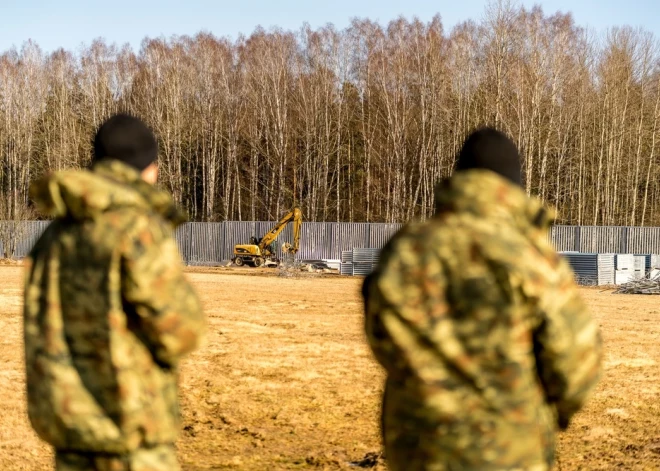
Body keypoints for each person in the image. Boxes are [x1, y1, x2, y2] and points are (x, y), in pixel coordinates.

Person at [362, 127, 602, 471]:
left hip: (419, 445)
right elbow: (575, 364)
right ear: (512, 187)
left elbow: (380, 337)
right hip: (509, 448)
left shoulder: (407, 247)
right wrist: (550, 411)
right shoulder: (530, 255)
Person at [23, 113, 205, 471]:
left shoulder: (55, 234)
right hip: (130, 434)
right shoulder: (137, 228)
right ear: (148, 168)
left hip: (71, 429)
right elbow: (180, 334)